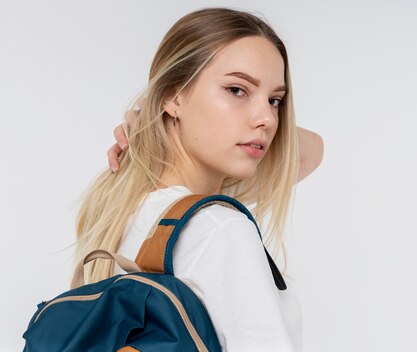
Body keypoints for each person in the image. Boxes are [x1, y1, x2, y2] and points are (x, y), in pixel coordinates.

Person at [75, 7, 323, 352]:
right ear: (174, 96)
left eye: (275, 100)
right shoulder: (218, 228)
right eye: (237, 90)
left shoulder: (123, 211)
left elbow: (311, 151)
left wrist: (155, 117)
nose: (266, 118)